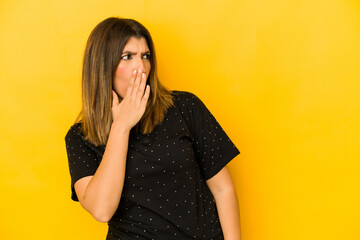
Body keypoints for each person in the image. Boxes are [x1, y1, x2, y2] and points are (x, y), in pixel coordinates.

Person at [65, 17, 241, 240]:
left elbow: (223, 190)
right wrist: (121, 127)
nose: (141, 67)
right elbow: (101, 209)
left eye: (145, 56)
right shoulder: (80, 137)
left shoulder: (184, 107)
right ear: (102, 66)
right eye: (127, 57)